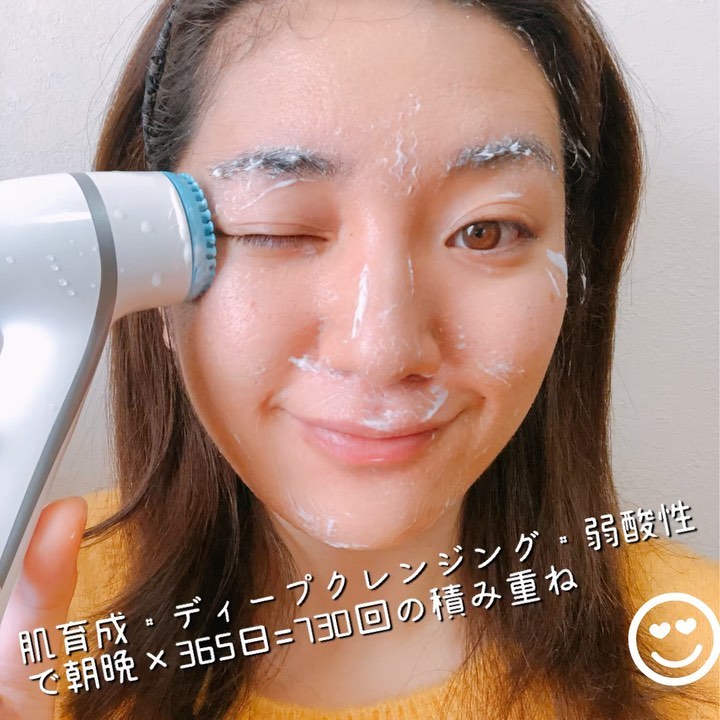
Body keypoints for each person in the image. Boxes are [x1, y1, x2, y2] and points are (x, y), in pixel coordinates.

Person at [0, 1, 717, 718]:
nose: (384, 351)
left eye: (487, 230)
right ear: (147, 267)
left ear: (578, 269)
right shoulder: (28, 628)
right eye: (279, 228)